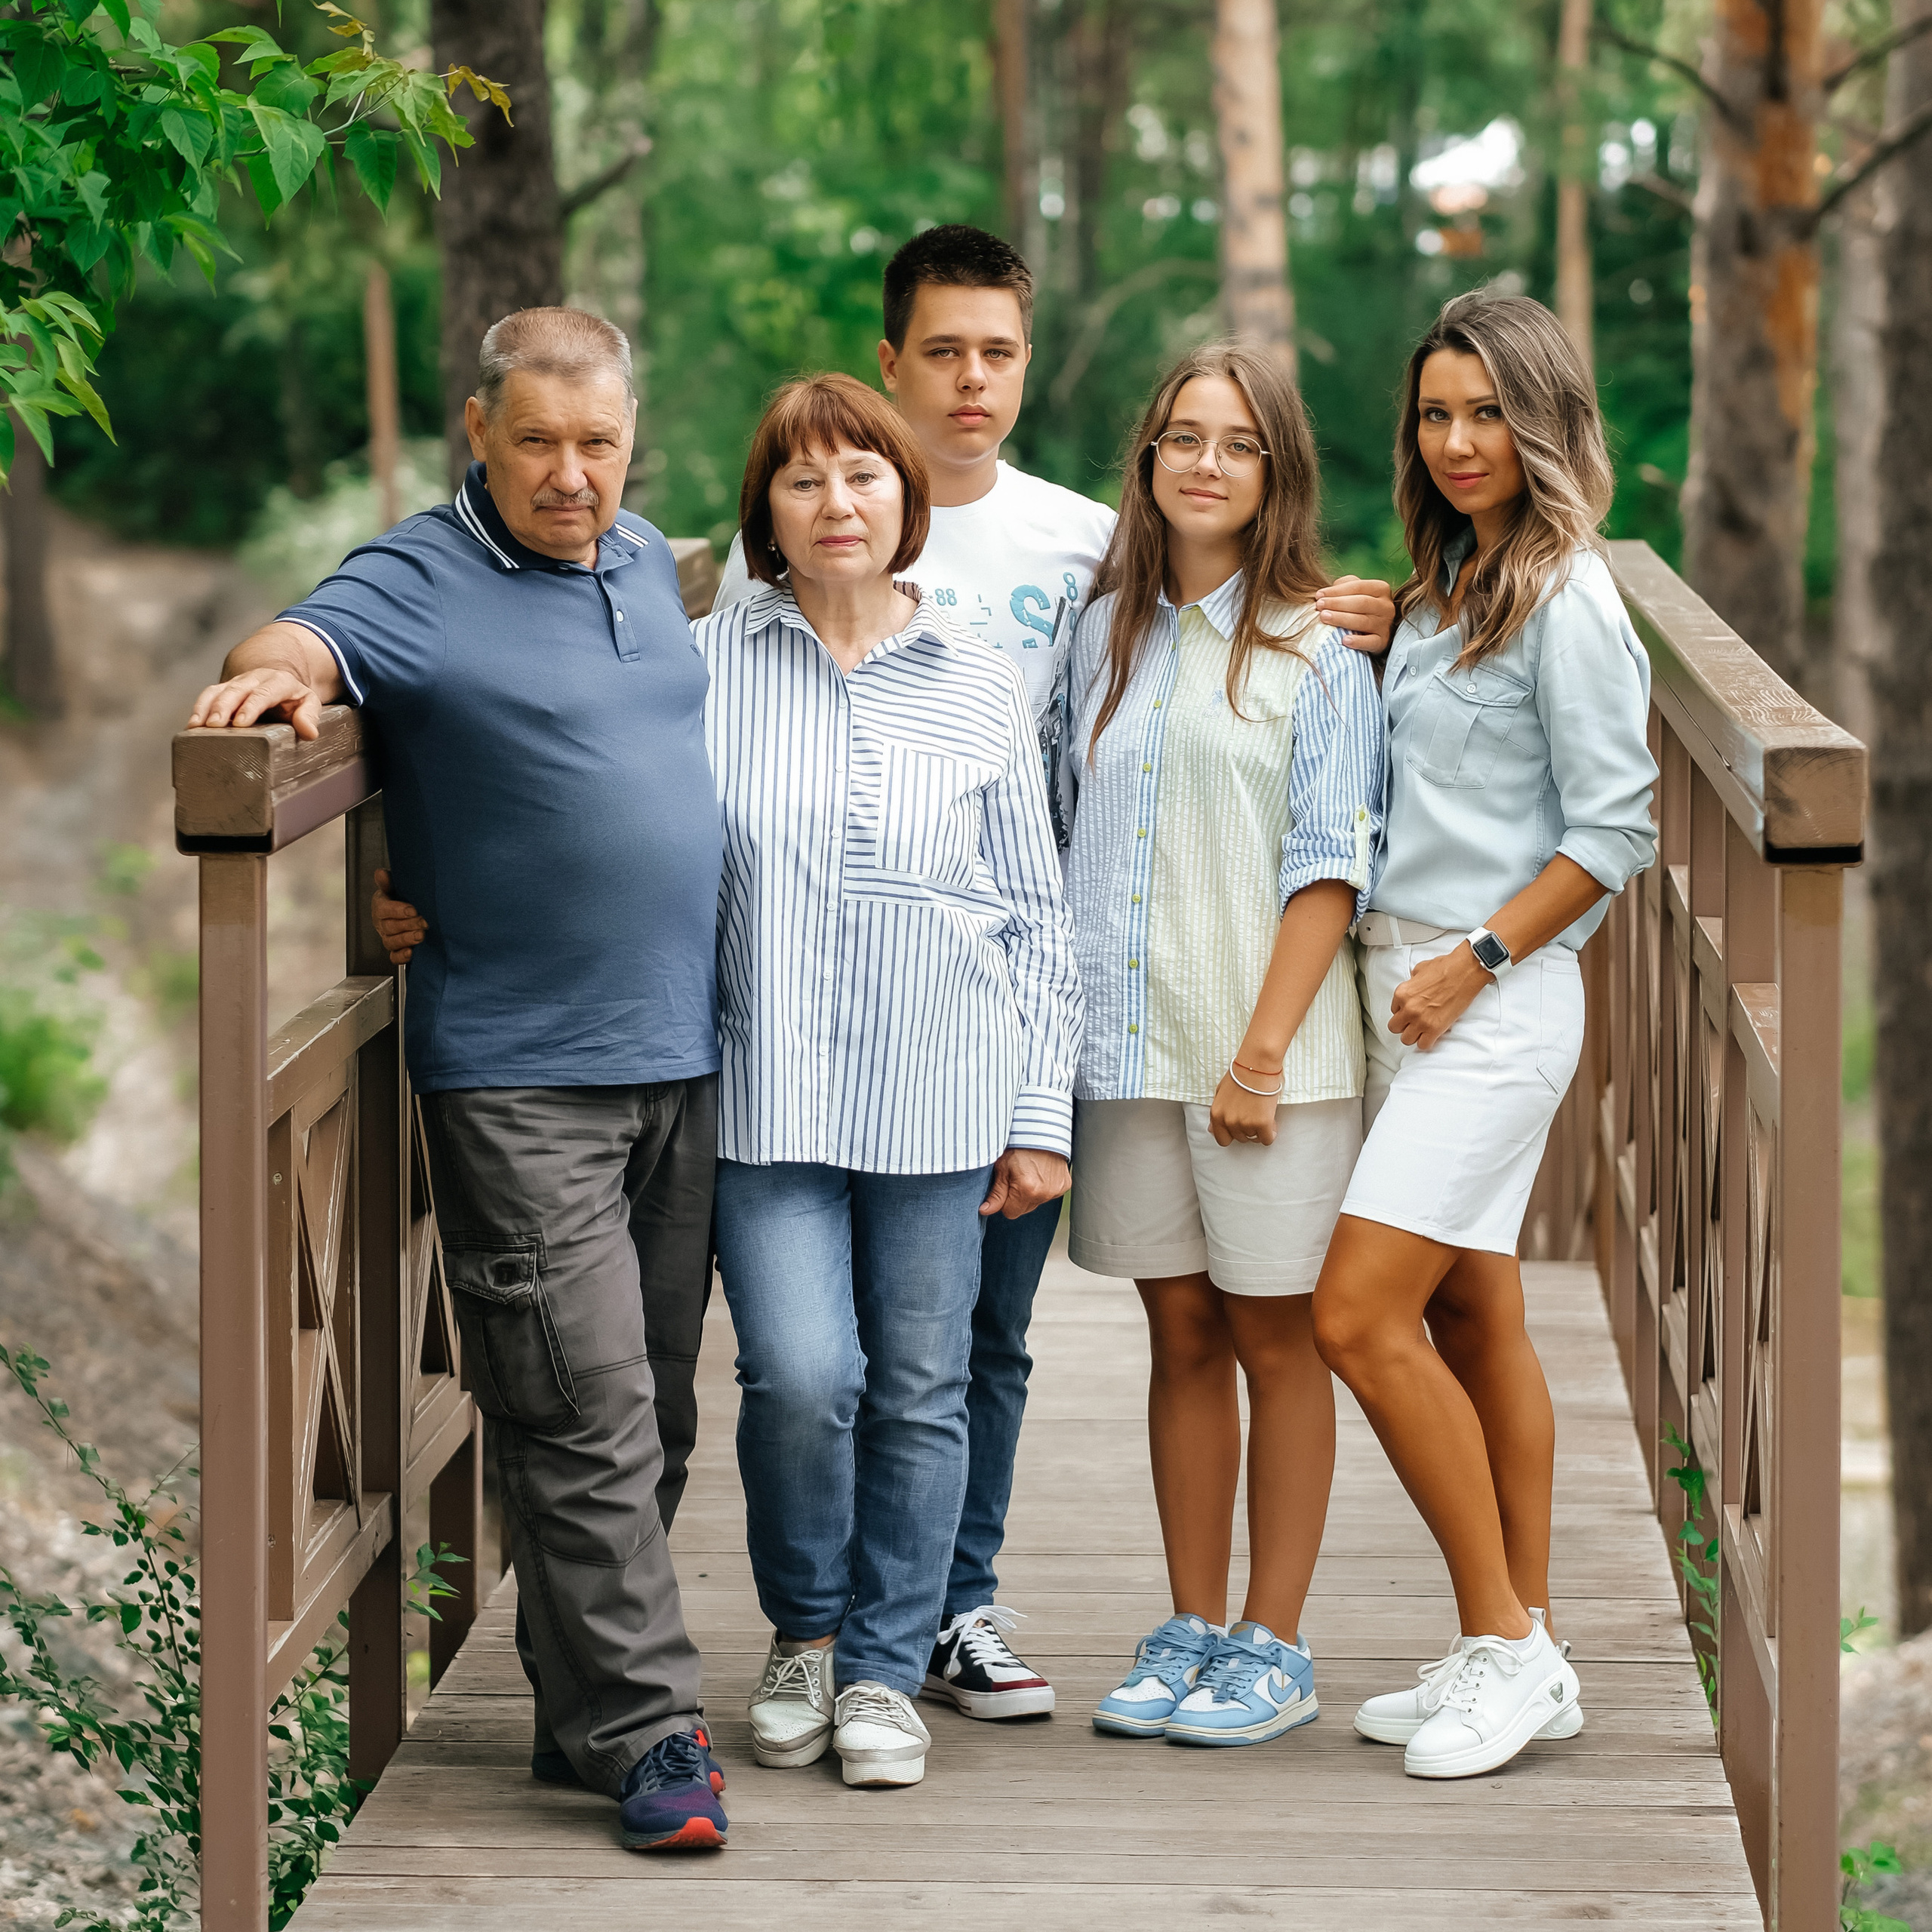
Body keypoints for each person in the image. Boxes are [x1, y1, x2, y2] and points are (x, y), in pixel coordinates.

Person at [715, 226, 1391, 1721]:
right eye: (941, 351)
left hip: (1086, 1035)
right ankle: (915, 1622)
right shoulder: (1074, 616)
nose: (969, 379)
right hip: (1076, 1034)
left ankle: (960, 1606)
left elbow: (1311, 812)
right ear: (888, 364)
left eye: (998, 351)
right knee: (1135, 1328)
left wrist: (1387, 615)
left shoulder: (1089, 545)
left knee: (986, 1338)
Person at [187, 307, 730, 1854]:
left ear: (634, 442)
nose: (571, 476)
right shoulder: (423, 572)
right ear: (481, 435)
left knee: (662, 1407)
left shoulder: (645, 562)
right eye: (540, 442)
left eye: (599, 444)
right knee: (582, 1408)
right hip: (518, 1070)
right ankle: (650, 1735)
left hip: (677, 1053)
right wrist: (266, 688)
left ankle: (578, 1703)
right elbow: (298, 639)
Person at [703, 372, 1081, 1789]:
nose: (837, 502)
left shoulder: (981, 669)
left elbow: (1035, 915)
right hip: (767, 1088)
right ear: (768, 515)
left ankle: (880, 1668)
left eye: (863, 473)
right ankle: (805, 1630)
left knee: (922, 1384)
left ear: (905, 499)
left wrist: (1041, 1119)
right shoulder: (705, 658)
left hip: (946, 1092)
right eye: (804, 482)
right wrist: (421, 897)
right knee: (804, 1376)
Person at [1312, 290, 1658, 1780]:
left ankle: (1501, 1642)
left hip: (1493, 1002)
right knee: (1470, 1314)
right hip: (1407, 987)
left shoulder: (1567, 595)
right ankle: (1528, 1643)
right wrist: (1383, 616)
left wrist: (1475, 957)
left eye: (1484, 414)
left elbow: (1616, 826)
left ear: (1541, 421)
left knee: (1353, 1315)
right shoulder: (1449, 581)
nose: (1455, 442)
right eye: (1433, 413)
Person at [1065, 345, 1388, 1748]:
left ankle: (1274, 1644)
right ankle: (1191, 1625)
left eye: (1239, 444)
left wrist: (1258, 1056)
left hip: (1268, 1056)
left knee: (1275, 1335)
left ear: (1276, 476)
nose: (1206, 462)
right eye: (1183, 437)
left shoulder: (1323, 644)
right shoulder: (1099, 639)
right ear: (1147, 461)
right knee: (1178, 1328)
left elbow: (1330, 864)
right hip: (1130, 1049)